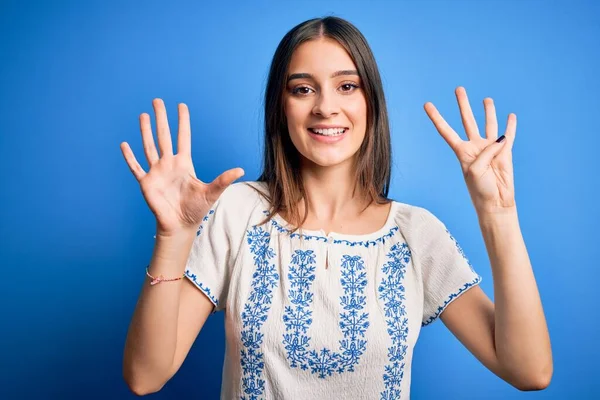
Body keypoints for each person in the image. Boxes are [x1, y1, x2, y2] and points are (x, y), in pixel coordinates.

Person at [120, 16, 552, 399]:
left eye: (347, 86)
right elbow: (145, 377)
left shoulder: (416, 233)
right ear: (281, 107)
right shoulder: (238, 211)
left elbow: (529, 371)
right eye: (303, 89)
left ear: (371, 103)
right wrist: (173, 236)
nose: (326, 106)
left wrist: (498, 216)